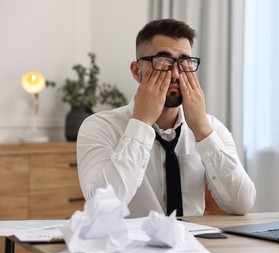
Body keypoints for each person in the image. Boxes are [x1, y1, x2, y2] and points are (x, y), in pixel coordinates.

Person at [77, 18, 256, 217]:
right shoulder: (100, 127)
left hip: (196, 245)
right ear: (137, 71)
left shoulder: (210, 127)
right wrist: (141, 123)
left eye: (184, 62)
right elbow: (102, 206)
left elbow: (242, 204)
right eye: (163, 62)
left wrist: (203, 131)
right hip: (130, 245)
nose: (176, 74)